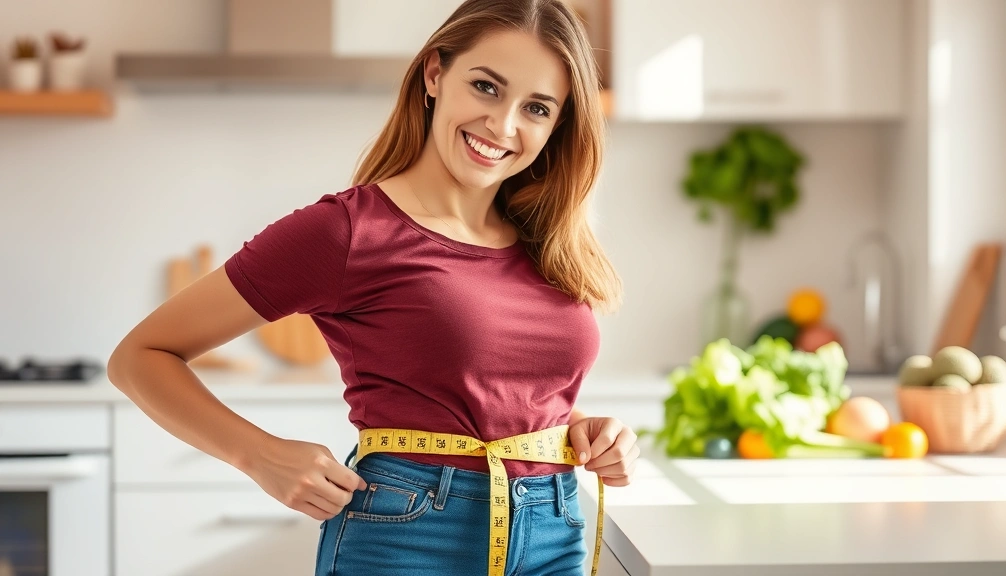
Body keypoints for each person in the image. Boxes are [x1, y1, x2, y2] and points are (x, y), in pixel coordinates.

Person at [107, 0, 639, 574]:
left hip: (552, 531)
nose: (503, 125)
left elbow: (500, 394)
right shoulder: (346, 231)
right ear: (435, 74)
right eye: (486, 87)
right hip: (407, 539)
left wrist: (580, 428)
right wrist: (260, 455)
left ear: (558, 124)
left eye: (536, 107)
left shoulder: (547, 241)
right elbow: (139, 357)